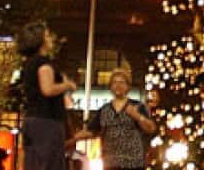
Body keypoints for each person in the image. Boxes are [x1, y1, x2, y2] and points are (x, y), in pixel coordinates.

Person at [18, 21, 75, 170]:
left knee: (33, 163)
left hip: (33, 120)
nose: (50, 39)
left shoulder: (29, 64)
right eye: (47, 36)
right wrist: (67, 85)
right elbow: (48, 89)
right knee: (49, 163)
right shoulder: (43, 63)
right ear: (40, 39)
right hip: (47, 121)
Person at [80, 69, 157, 170]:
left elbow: (151, 128)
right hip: (111, 163)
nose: (118, 85)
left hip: (133, 163)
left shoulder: (137, 106)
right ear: (110, 86)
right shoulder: (104, 109)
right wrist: (72, 139)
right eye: (114, 82)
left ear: (128, 86)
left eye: (121, 82)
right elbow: (92, 131)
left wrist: (137, 116)